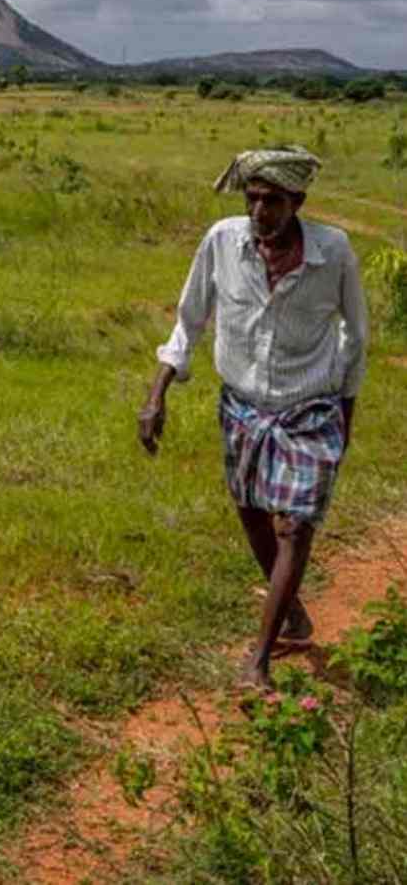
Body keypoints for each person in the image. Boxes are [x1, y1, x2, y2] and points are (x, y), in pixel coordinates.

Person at [138, 145, 369, 692]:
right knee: (250, 511)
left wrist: (346, 414)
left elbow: (355, 337)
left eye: (273, 201)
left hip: (311, 407)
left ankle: (258, 661)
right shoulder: (223, 242)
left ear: (299, 202)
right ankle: (291, 612)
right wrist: (157, 394)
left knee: (295, 525)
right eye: (253, 198)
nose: (260, 212)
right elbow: (189, 319)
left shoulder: (333, 253)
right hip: (241, 403)